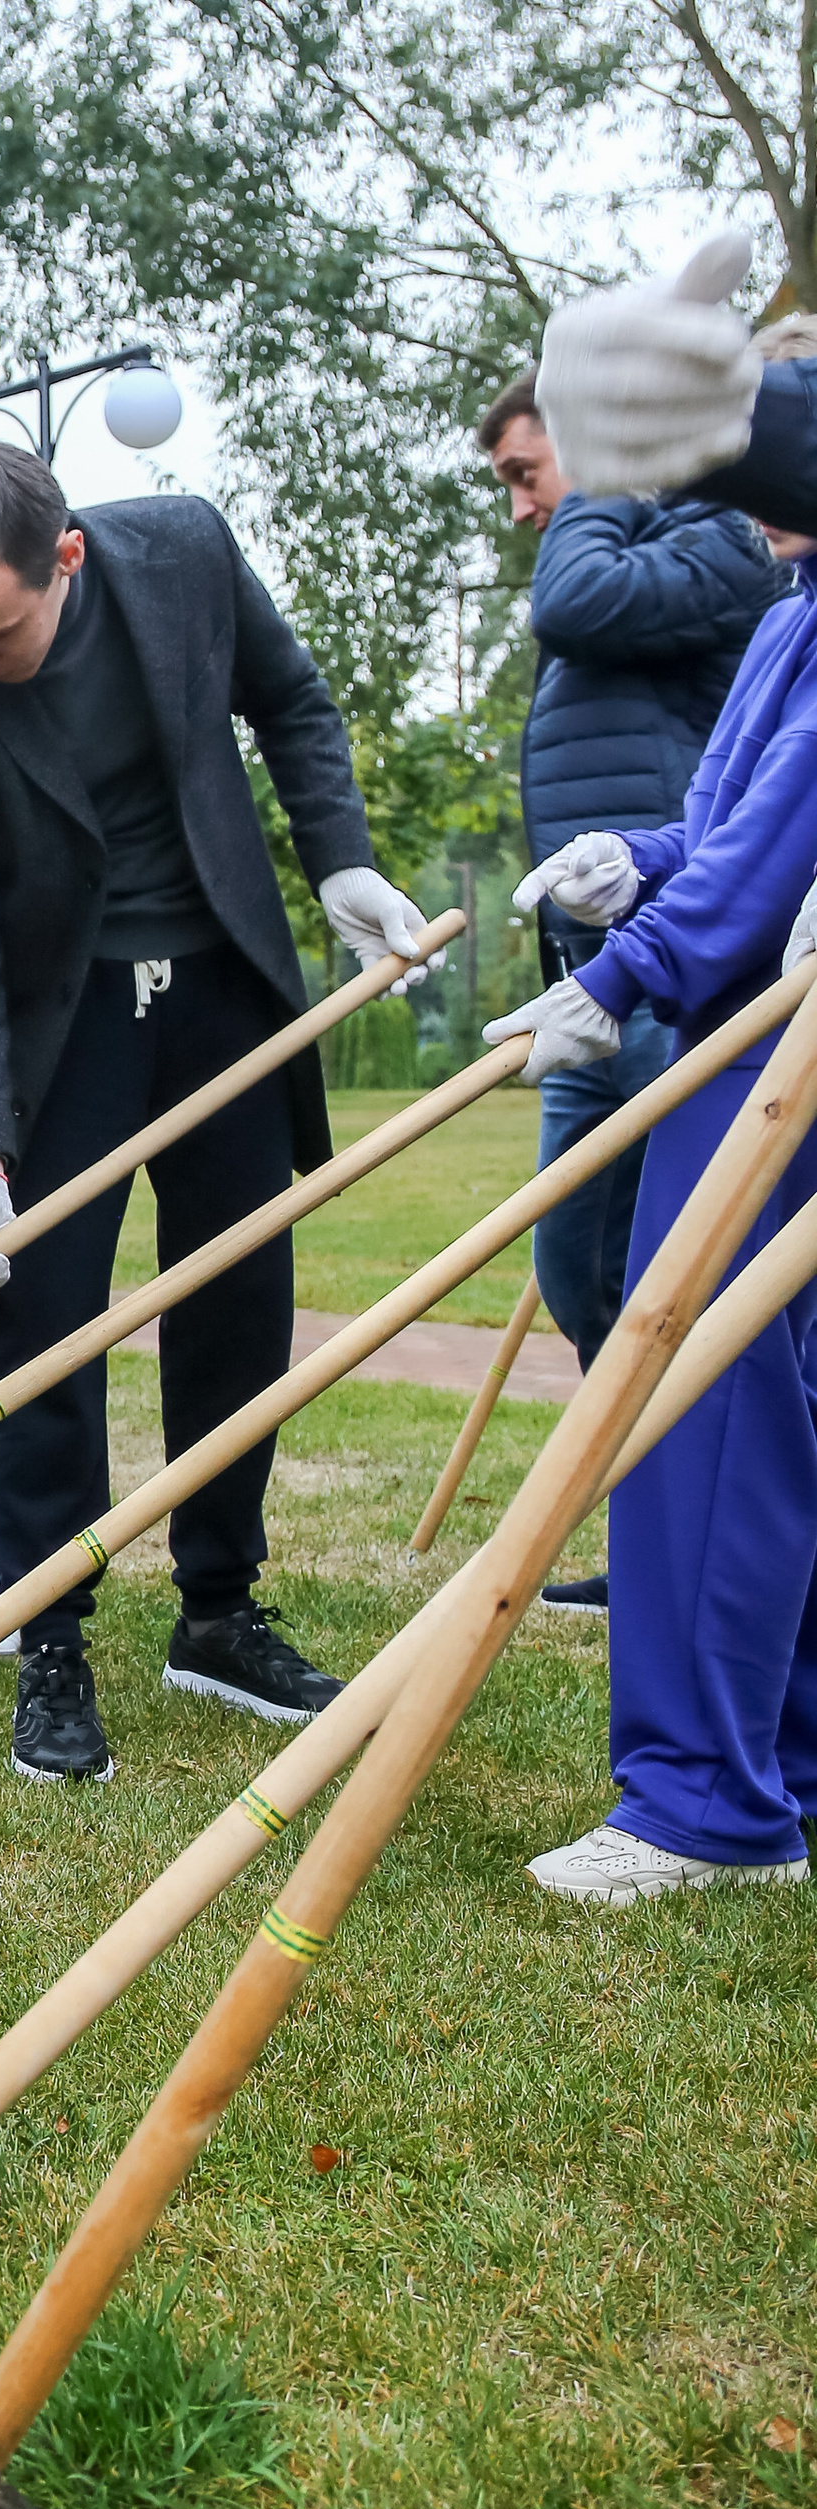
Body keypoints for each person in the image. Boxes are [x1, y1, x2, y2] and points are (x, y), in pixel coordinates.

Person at [0, 438, 433, 1786]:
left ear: (65, 558)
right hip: (62, 1027)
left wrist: (341, 861)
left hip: (224, 989)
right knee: (41, 1319)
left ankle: (220, 1614)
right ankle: (48, 1631)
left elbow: (292, 705)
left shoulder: (182, 553)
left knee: (239, 1296)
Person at [481, 245, 817, 1902]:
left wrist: (627, 977)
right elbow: (736, 819)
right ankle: (783, 1768)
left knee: (699, 1404)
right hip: (742, 1031)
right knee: (764, 1412)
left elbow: (786, 840)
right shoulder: (789, 609)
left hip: (766, 1058)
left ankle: (705, 1807)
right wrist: (640, 853)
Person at [479, 369, 772, 1618]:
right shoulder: (627, 562)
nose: (521, 509)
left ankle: (724, 1528)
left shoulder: (716, 543)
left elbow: (576, 598)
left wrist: (596, 479)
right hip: (597, 973)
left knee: (695, 1271)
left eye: (526, 473)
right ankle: (656, 1511)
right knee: (582, 1263)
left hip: (686, 967)